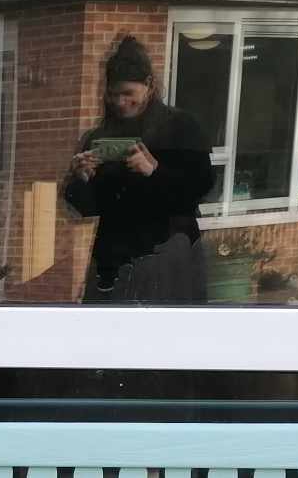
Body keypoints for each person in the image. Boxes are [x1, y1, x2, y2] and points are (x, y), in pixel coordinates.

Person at [62, 34, 213, 300]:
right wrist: (80, 180)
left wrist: (155, 172)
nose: (120, 102)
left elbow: (202, 190)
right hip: (114, 260)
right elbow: (86, 209)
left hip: (169, 252)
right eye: (113, 94)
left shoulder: (182, 127)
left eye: (128, 93)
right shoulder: (98, 136)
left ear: (149, 86)